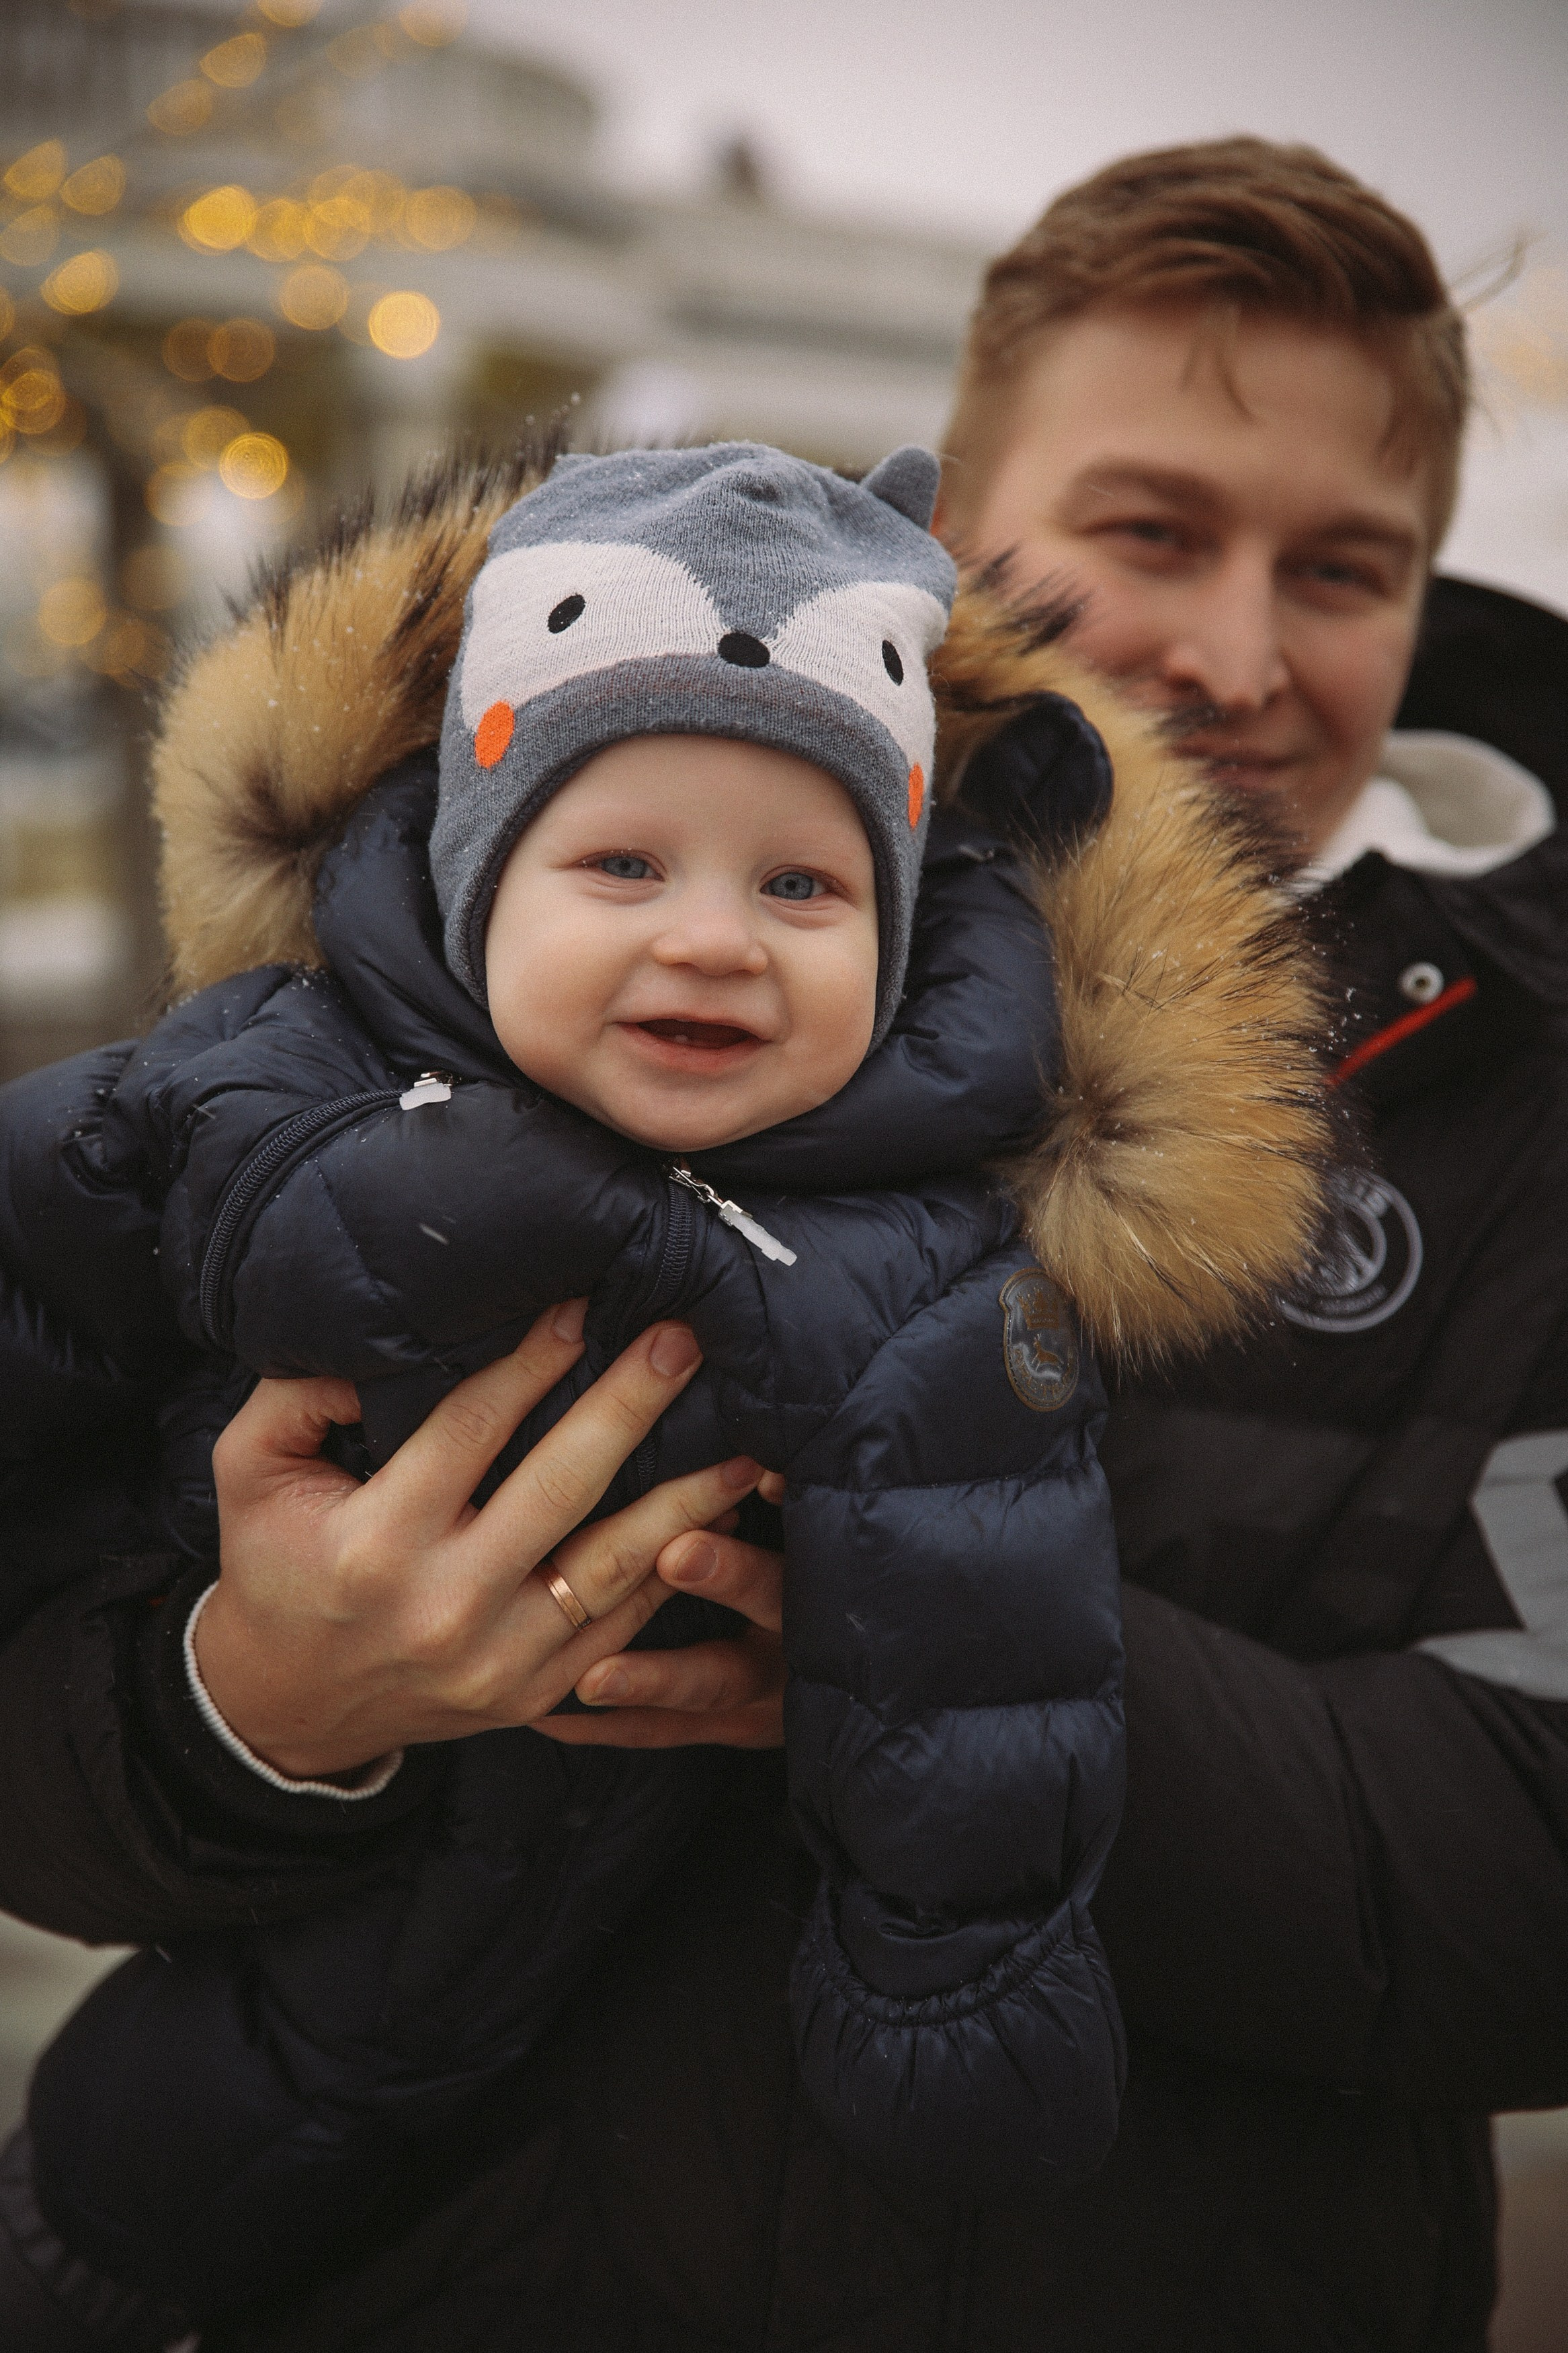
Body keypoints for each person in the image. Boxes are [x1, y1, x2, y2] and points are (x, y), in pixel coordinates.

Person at [1, 132, 1564, 2352]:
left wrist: (924, 1670)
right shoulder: (419, 995)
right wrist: (253, 1704)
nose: (1234, 648)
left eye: (1343, 566)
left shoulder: (1536, 1095)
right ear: (952, 549)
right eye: (1148, 529)